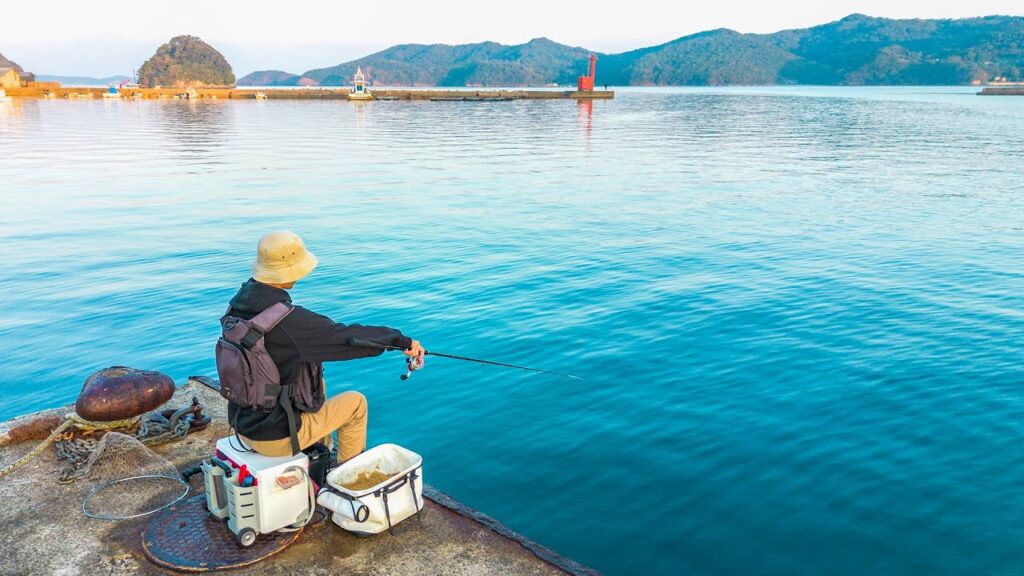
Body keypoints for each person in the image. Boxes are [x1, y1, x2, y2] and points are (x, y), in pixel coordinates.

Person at [225, 230, 423, 462]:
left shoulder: (237, 308)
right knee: (356, 404)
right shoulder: (289, 323)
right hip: (275, 436)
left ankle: (318, 456)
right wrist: (402, 341)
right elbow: (349, 339)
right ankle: (346, 476)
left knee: (318, 383)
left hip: (243, 422)